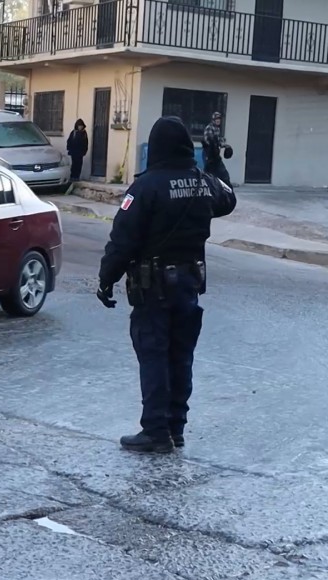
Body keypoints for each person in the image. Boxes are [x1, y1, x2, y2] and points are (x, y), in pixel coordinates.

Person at [96, 116, 237, 453]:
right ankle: (176, 428)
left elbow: (122, 241)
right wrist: (215, 159)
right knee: (181, 356)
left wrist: (106, 279)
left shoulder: (146, 187)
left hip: (154, 289)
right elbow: (228, 198)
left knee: (155, 356)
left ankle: (156, 430)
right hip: (189, 285)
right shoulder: (205, 183)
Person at [201, 111, 232, 187]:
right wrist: (217, 143)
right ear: (213, 120)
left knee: (221, 174)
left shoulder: (217, 129)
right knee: (208, 173)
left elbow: (218, 141)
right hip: (208, 153)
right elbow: (210, 142)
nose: (218, 120)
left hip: (215, 154)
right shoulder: (209, 128)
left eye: (219, 119)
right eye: (216, 119)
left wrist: (225, 145)